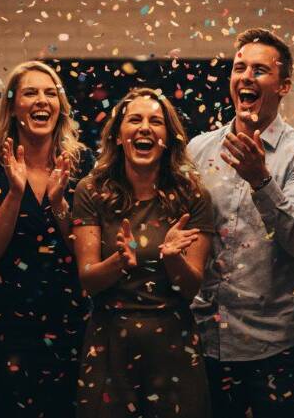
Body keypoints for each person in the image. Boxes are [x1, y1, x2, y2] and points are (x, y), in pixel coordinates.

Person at [188, 28, 294, 418]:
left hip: (274, 347)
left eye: (260, 70)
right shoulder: (198, 149)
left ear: (284, 85)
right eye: (239, 68)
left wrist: (260, 180)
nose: (246, 77)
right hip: (205, 339)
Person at [73, 88, 214, 418]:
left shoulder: (192, 195)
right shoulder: (91, 190)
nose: (145, 128)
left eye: (156, 121)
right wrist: (119, 263)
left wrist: (172, 257)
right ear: (119, 136)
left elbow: (191, 288)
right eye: (134, 119)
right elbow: (89, 281)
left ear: (169, 137)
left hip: (173, 344)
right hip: (109, 341)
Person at [0, 61, 92, 418]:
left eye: (50, 92)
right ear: (12, 106)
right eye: (30, 92)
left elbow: (87, 251)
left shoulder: (83, 164)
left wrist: (57, 204)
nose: (42, 100)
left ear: (61, 105)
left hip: (71, 320)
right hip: (10, 324)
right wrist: (15, 191)